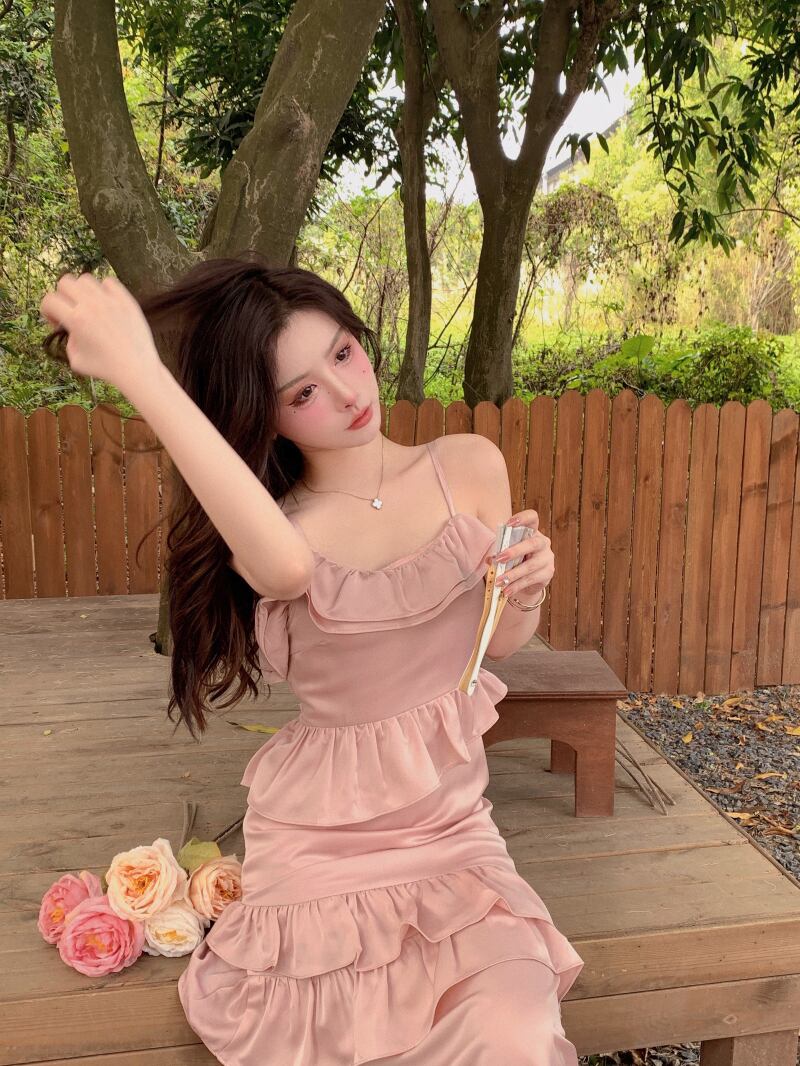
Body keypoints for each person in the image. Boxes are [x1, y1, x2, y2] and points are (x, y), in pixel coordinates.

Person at [39, 251, 585, 1065]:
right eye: (302, 393)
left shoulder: (469, 464)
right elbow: (290, 568)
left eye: (343, 353)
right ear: (266, 417)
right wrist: (141, 375)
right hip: (319, 849)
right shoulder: (277, 531)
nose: (346, 392)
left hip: (453, 834)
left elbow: (494, 643)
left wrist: (531, 585)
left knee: (515, 1032)